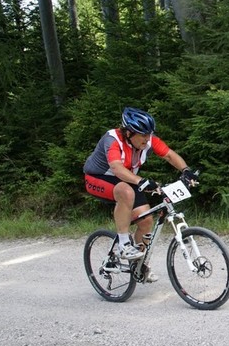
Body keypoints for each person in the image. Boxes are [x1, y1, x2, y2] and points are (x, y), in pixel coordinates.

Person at [83, 107, 198, 282]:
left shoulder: (148, 141)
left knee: (146, 221)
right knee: (126, 192)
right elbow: (116, 168)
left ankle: (139, 265)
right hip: (98, 177)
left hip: (126, 179)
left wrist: (186, 171)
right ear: (129, 133)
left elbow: (169, 155)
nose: (147, 138)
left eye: (149, 134)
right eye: (143, 135)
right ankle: (123, 244)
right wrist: (141, 181)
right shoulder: (113, 139)